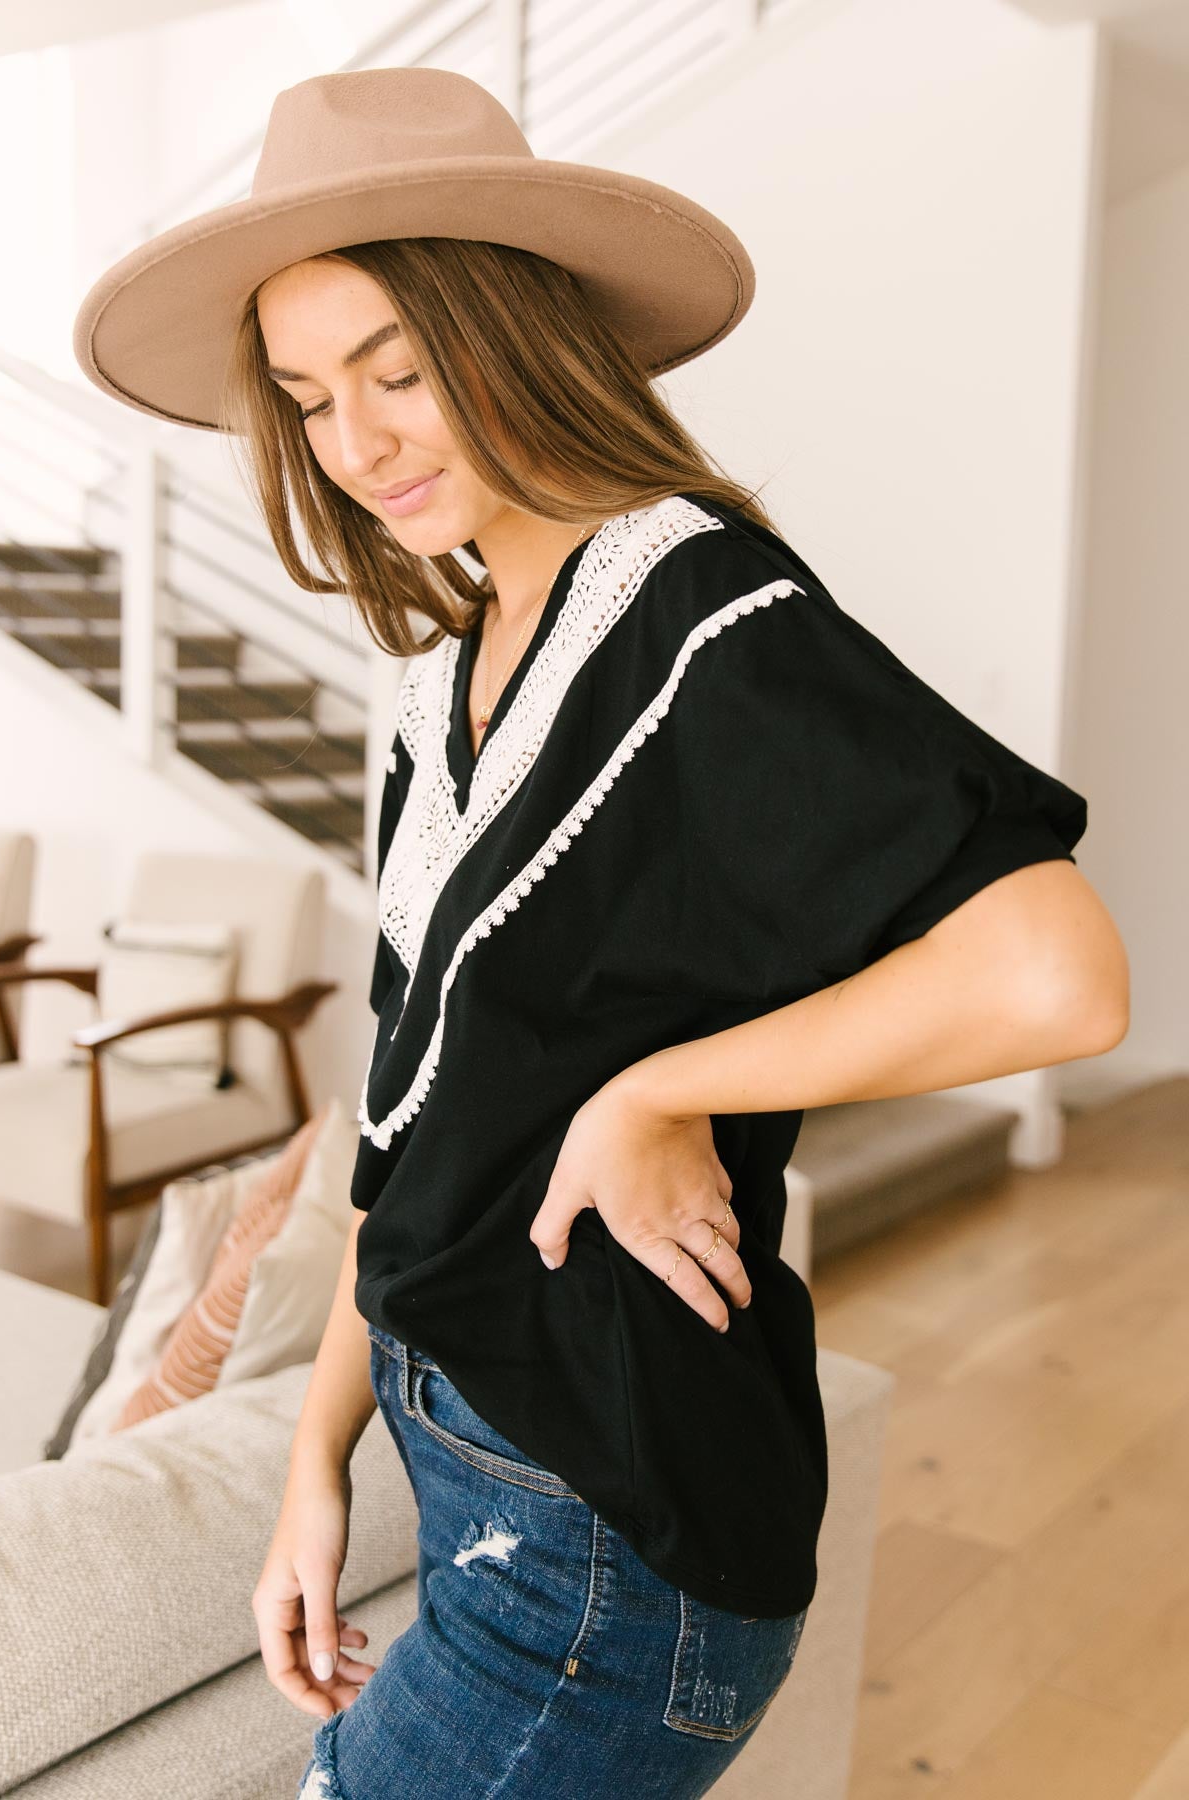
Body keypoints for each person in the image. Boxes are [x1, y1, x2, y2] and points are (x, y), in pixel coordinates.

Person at [72, 65, 1130, 1800]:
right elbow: (405, 1131)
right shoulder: (435, 682)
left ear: (518, 338)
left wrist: (658, 1092)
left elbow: (1059, 973)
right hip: (468, 1473)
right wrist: (312, 1465)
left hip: (606, 1558)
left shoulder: (706, 616)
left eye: (401, 372)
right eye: (309, 396)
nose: (359, 443)